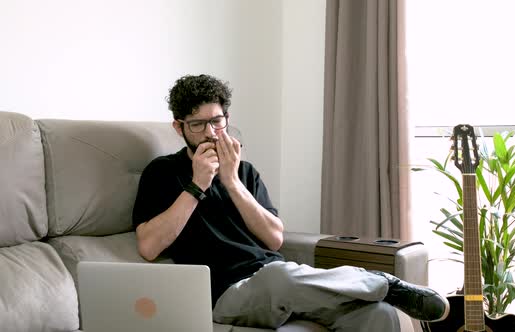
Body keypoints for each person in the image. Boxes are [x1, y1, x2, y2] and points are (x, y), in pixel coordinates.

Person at [132, 74, 449, 331]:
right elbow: (148, 246)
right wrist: (198, 184)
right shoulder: (162, 172)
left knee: (377, 316)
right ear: (179, 127)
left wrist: (231, 180)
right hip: (225, 293)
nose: (211, 133)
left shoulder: (244, 171)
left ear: (227, 118)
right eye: (197, 124)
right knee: (278, 277)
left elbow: (274, 238)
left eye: (217, 121)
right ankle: (383, 282)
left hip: (279, 278)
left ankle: (380, 292)